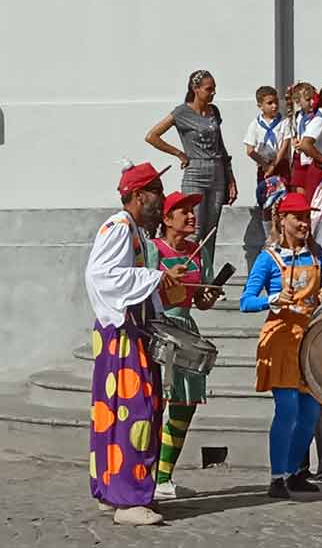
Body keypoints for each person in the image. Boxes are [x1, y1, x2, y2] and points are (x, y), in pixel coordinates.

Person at [85, 161, 186, 525]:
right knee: (133, 411)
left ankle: (114, 489)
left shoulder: (134, 231)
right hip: (123, 334)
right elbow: (103, 276)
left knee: (121, 411)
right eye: (157, 192)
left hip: (131, 331)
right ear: (139, 195)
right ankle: (127, 499)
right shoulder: (119, 227)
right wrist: (156, 276)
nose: (161, 200)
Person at [239, 192, 322, 499]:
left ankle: (293, 472)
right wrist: (272, 299)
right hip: (280, 339)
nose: (305, 223)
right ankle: (277, 476)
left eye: (307, 217)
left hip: (309, 339)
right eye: (298, 217)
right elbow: (246, 302)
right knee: (288, 410)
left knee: (310, 414)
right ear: (282, 220)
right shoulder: (269, 258)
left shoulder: (316, 257)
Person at [145, 192, 222, 500]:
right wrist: (163, 277)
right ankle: (144, 475)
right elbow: (141, 287)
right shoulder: (154, 250)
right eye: (183, 211)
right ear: (166, 220)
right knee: (154, 406)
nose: (192, 216)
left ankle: (164, 477)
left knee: (184, 406)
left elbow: (199, 301)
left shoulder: (198, 252)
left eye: (192, 211)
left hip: (186, 330)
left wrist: (207, 297)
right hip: (160, 329)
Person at [145, 70, 237, 280]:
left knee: (211, 231)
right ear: (195, 89)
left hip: (217, 171)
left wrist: (230, 178)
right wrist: (178, 153)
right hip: (195, 171)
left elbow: (221, 147)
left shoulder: (214, 111)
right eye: (208, 89)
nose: (213, 93)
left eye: (214, 88)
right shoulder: (181, 113)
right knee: (193, 226)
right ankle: (187, 274)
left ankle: (207, 278)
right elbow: (152, 136)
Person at [243, 86, 292, 204]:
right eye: (270, 103)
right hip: (263, 167)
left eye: (276, 102)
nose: (274, 106)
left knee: (283, 200)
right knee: (266, 200)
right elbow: (250, 150)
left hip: (281, 165)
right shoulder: (255, 124)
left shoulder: (284, 122)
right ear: (260, 106)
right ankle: (266, 222)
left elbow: (284, 146)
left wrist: (273, 166)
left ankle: (281, 222)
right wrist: (265, 165)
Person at [286, 82, 318, 197]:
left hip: (313, 156)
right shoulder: (298, 115)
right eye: (308, 99)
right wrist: (296, 140)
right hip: (300, 157)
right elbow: (296, 132)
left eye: (313, 98)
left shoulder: (317, 116)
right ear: (298, 102)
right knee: (299, 188)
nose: (312, 102)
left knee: (312, 190)